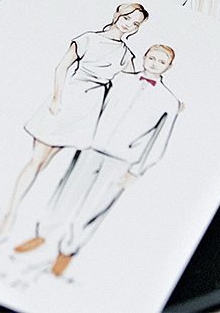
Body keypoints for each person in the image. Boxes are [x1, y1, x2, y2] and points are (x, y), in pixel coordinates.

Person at [13, 44, 183, 276]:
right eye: (151, 58)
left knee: (95, 205)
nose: (154, 64)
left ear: (169, 67)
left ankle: (69, 250)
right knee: (67, 192)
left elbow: (159, 140)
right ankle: (43, 235)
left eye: (161, 62)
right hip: (92, 147)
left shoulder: (168, 101)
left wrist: (137, 171)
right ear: (144, 57)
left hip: (122, 160)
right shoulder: (121, 80)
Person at [0, 4, 147, 236]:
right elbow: (62, 67)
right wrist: (57, 98)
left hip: (89, 108)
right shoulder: (89, 39)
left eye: (135, 23)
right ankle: (11, 212)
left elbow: (131, 84)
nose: (129, 25)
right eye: (127, 18)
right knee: (37, 159)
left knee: (45, 161)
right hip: (69, 98)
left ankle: (17, 209)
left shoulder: (126, 54)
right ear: (117, 15)